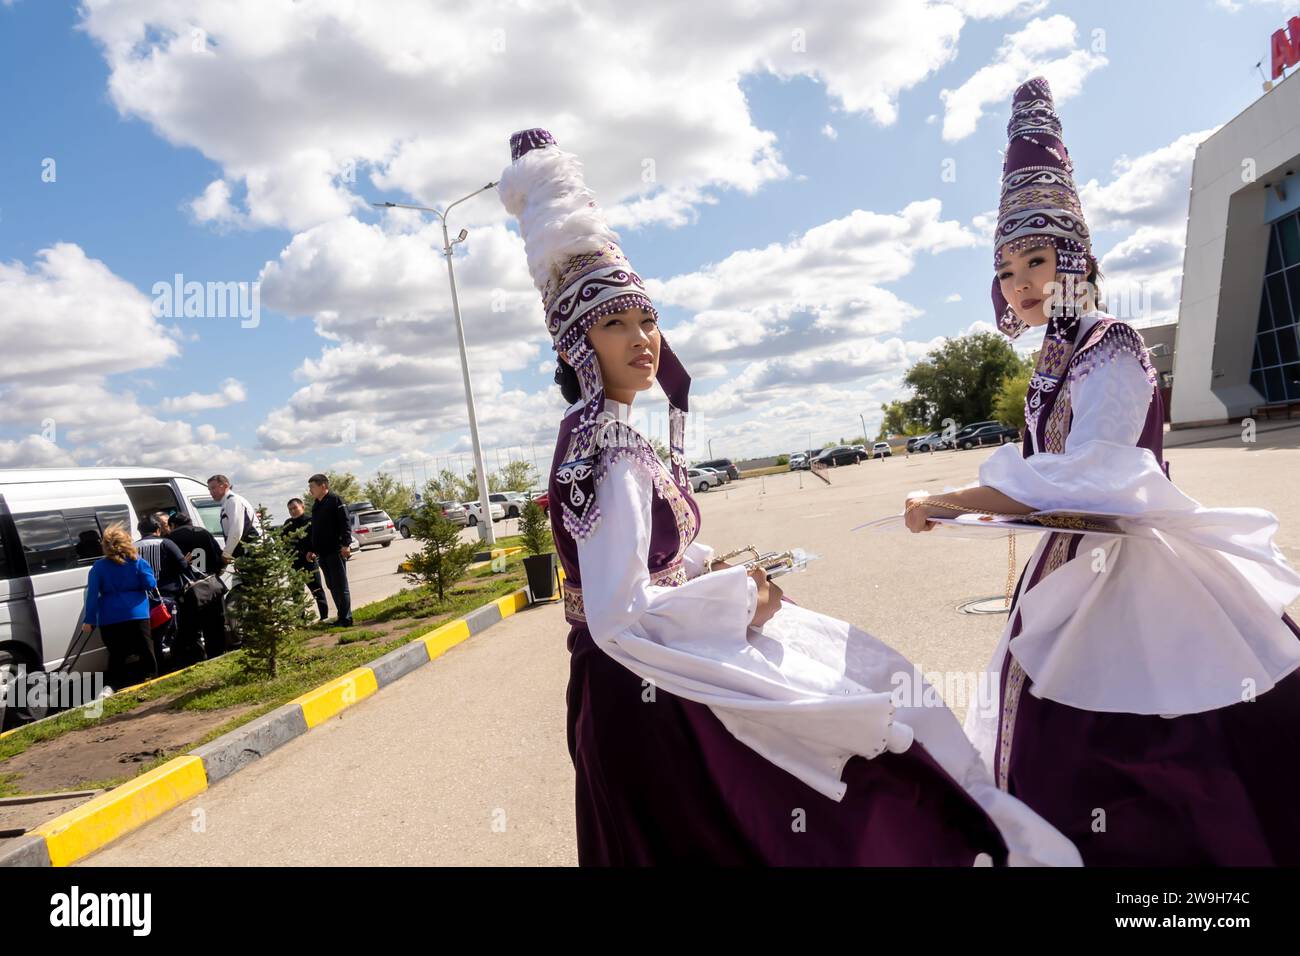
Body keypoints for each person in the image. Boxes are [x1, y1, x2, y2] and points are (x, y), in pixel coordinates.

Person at [499, 127, 1079, 867]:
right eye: (615, 324)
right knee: (800, 801)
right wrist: (740, 597)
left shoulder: (597, 435)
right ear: (577, 344)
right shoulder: (606, 447)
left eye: (647, 319)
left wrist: (712, 573)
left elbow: (641, 577)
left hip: (632, 688)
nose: (643, 338)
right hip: (647, 697)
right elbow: (619, 614)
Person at [901, 78, 1300, 865]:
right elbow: (1056, 472)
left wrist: (955, 497)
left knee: (1141, 752)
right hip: (1073, 562)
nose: (1023, 283)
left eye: (1039, 259)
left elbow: (1099, 476)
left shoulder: (1108, 343)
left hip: (1125, 568)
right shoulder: (1058, 357)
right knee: (1080, 747)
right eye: (1010, 268)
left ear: (1076, 260)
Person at [82, 523, 158, 692]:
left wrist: (89, 620)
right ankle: (150, 680)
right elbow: (150, 584)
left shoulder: (98, 567)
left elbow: (92, 595)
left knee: (116, 655)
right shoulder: (137, 561)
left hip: (109, 617)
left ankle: (112, 687)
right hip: (136, 613)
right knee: (146, 652)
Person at [167, 512, 229, 659]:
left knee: (190, 629)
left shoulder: (170, 539)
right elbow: (218, 557)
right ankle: (217, 656)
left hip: (187, 591)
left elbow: (170, 567)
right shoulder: (204, 533)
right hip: (209, 586)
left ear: (173, 525)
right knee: (214, 627)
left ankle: (198, 658)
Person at [306, 475, 352, 627]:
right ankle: (341, 616)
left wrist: (346, 544)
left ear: (323, 486)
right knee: (332, 585)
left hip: (335, 550)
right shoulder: (316, 505)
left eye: (312, 486)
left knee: (340, 585)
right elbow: (316, 529)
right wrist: (312, 549)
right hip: (322, 553)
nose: (310, 490)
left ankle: (346, 618)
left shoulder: (335, 500)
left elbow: (345, 523)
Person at [283, 497, 329, 621]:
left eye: (294, 508)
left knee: (317, 591)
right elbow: (283, 543)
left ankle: (324, 617)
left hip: (309, 563)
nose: (292, 511)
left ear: (302, 506)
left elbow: (318, 539)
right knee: (297, 595)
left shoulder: (310, 521)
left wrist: (314, 552)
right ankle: (301, 621)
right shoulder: (288, 524)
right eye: (290, 509)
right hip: (293, 565)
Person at [207, 474, 259, 566]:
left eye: (213, 488)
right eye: (209, 489)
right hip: (248, 550)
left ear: (226, 485)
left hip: (255, 551)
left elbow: (236, 530)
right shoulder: (227, 502)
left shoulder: (233, 501)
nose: (211, 492)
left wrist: (226, 554)